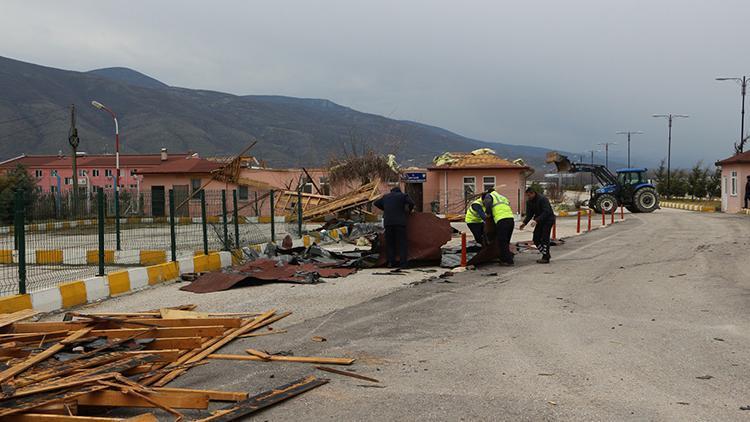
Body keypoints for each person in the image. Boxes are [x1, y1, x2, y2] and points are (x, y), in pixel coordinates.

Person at [374, 186, 415, 268]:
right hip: (400, 223)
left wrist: (385, 209)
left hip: (388, 223)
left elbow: (376, 203)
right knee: (402, 243)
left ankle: (391, 262)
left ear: (391, 191)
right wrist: (409, 211)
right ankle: (403, 264)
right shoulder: (403, 196)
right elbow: (412, 203)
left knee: (390, 243)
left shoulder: (386, 197)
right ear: (399, 191)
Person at [519, 187, 556, 264]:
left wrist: (536, 220)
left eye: (529, 195)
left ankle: (545, 257)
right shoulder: (529, 202)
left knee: (544, 238)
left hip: (548, 220)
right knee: (536, 238)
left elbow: (547, 211)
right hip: (539, 221)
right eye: (527, 196)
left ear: (533, 193)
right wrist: (524, 223)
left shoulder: (543, 199)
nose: (528, 197)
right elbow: (529, 214)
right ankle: (546, 254)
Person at [482, 187, 515, 266]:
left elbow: (488, 203)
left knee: (502, 241)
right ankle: (506, 257)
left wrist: (488, 213)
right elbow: (508, 205)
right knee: (506, 241)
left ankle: (507, 261)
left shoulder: (489, 196)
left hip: (502, 220)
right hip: (511, 219)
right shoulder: (502, 197)